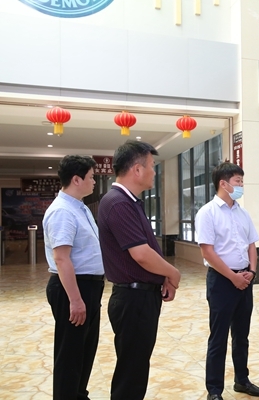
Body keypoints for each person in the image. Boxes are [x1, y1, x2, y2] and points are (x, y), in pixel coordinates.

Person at [98, 140, 181, 400]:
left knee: (135, 368)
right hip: (133, 300)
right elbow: (142, 255)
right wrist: (173, 273)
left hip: (140, 296)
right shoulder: (118, 203)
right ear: (136, 169)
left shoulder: (129, 201)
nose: (154, 172)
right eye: (152, 166)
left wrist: (162, 276)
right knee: (131, 374)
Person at [195, 162, 259, 400]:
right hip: (222, 282)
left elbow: (251, 244)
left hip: (245, 279)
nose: (241, 185)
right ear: (223, 184)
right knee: (219, 337)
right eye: (238, 181)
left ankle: (242, 381)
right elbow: (207, 252)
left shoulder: (243, 213)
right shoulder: (207, 213)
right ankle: (214, 390)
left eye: (242, 181)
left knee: (241, 336)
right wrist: (232, 277)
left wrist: (252, 272)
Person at [44, 155, 105, 400]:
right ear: (76, 179)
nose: (94, 182)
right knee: (70, 353)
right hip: (73, 288)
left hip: (88, 286)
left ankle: (78, 394)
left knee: (84, 350)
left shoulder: (80, 207)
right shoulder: (62, 211)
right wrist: (76, 300)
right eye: (91, 177)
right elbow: (62, 259)